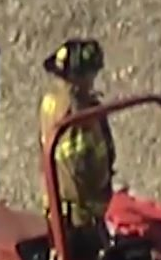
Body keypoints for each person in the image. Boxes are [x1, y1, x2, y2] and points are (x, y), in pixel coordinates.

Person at [40, 38, 117, 232]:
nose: (93, 79)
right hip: (80, 220)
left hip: (62, 213)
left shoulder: (51, 102)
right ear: (77, 76)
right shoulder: (78, 114)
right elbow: (78, 169)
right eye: (91, 73)